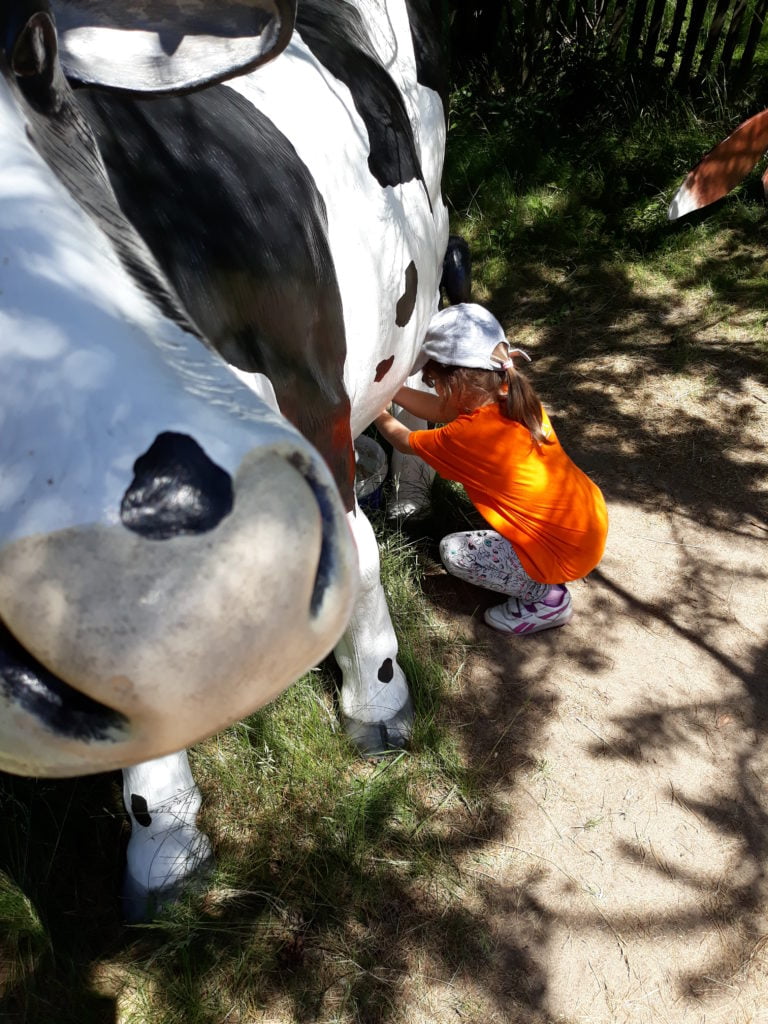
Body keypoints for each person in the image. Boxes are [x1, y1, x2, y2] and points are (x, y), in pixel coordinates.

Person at [374, 303, 608, 635]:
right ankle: (543, 567)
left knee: (454, 552)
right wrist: (391, 390)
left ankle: (547, 598)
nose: (432, 385)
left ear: (455, 382)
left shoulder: (467, 437)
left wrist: (373, 407)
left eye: (432, 379)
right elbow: (441, 408)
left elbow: (403, 441)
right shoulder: (511, 393)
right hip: (586, 520)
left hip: (564, 551)